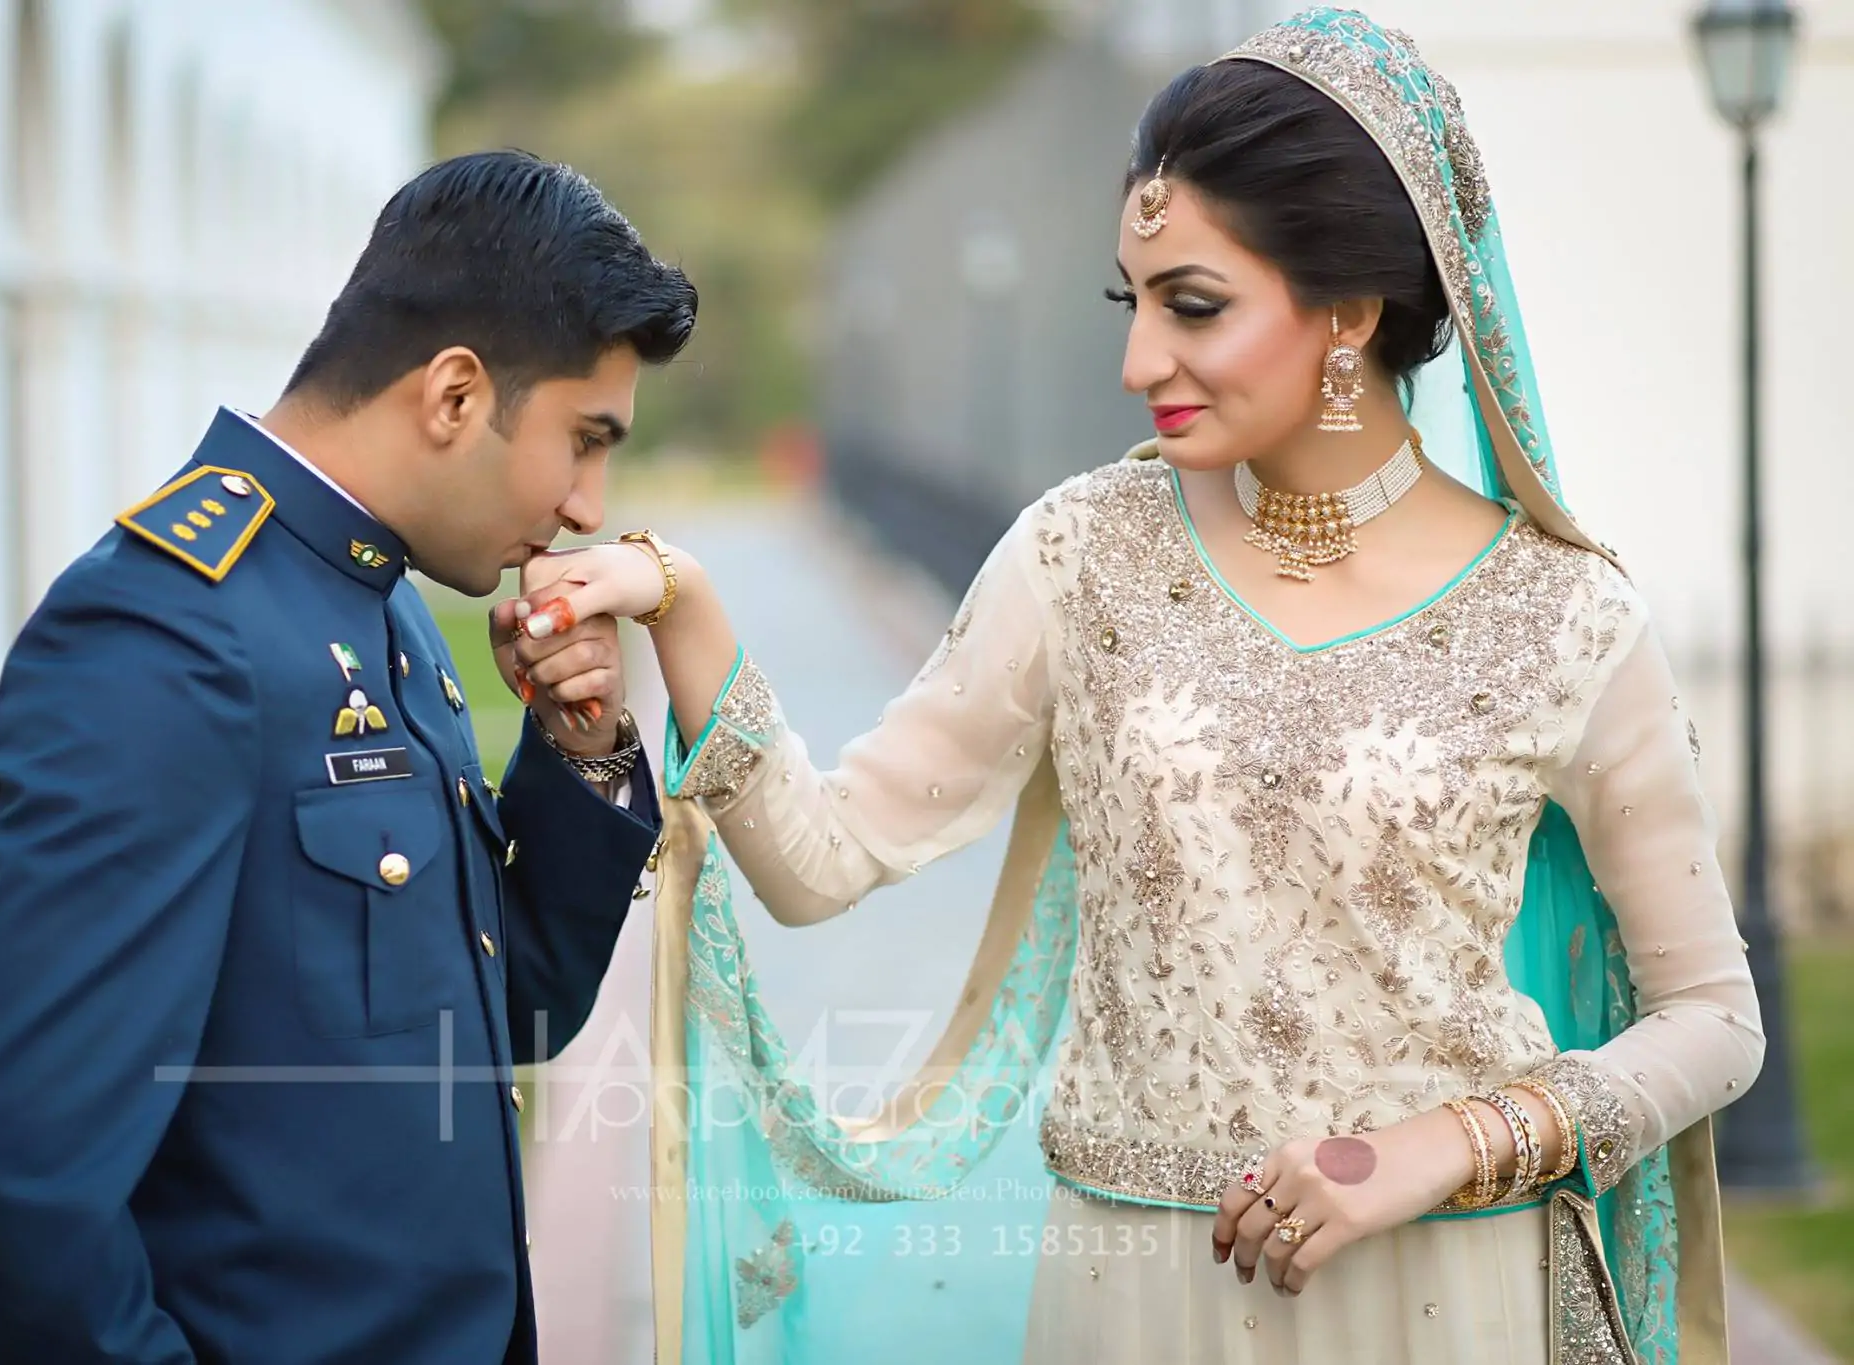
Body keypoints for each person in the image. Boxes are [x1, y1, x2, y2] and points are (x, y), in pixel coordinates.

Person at [514, 9, 1765, 1363]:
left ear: (1348, 313)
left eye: (1196, 307)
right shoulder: (1083, 556)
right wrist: (682, 600)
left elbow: (1713, 1020)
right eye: (1135, 301)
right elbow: (821, 863)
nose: (1139, 362)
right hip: (1138, 1303)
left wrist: (1446, 1145)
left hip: (1445, 1295)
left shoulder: (1561, 613)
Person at [0, 150, 696, 1364]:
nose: (591, 504)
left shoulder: (374, 603)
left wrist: (577, 755)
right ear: (451, 395)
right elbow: (15, 1170)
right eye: (583, 440)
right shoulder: (165, 636)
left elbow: (491, 1018)